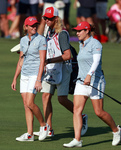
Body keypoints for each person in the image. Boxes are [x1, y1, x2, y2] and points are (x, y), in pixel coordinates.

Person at [63, 21, 121, 148]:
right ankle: (77, 139)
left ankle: (116, 130)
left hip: (96, 81)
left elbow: (96, 61)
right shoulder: (81, 44)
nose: (77, 33)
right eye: (76, 31)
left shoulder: (96, 44)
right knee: (76, 110)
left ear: (87, 31)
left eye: (79, 31)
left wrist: (89, 75)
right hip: (81, 82)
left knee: (99, 112)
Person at [34, 6, 88, 137]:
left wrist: (50, 61)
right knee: (45, 96)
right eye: (44, 18)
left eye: (49, 18)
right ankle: (48, 129)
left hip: (64, 69)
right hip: (52, 68)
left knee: (62, 99)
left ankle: (82, 116)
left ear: (56, 19)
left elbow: (67, 55)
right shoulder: (49, 31)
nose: (46, 20)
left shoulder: (62, 33)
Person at [11, 16, 50, 141]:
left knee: (30, 103)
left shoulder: (41, 40)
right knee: (26, 105)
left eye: (35, 25)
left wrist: (39, 79)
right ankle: (30, 134)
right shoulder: (22, 40)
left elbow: (42, 60)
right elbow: (21, 59)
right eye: (32, 25)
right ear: (26, 27)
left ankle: (44, 126)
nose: (34, 27)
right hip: (25, 75)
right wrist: (15, 78)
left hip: (35, 74)